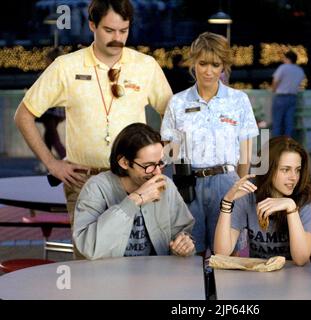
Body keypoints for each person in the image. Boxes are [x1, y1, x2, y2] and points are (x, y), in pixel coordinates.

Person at [14, 0, 172, 232]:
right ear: (92, 26)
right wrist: (52, 164)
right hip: (83, 182)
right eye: (109, 30)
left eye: (124, 30)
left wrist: (159, 160)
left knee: (138, 260)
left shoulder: (146, 66)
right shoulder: (66, 67)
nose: (117, 37)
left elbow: (172, 116)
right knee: (89, 262)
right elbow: (23, 115)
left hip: (136, 180)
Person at [160, 32, 259, 255]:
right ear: (193, 62)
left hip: (227, 183)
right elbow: (169, 153)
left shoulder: (239, 100)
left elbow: (245, 154)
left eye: (215, 64)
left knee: (225, 255)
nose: (208, 71)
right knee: (188, 254)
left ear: (223, 65)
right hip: (188, 184)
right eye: (202, 63)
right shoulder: (177, 102)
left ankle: (224, 292)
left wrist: (241, 189)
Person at [73, 122, 195, 260]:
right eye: (148, 166)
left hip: (157, 276)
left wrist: (183, 245)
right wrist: (135, 200)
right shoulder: (95, 188)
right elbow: (88, 247)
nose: (157, 172)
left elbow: (182, 231)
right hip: (109, 278)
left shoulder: (166, 186)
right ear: (124, 162)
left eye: (160, 163)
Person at [214, 136, 311, 265]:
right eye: (285, 170)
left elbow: (301, 259)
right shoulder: (249, 193)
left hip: (294, 275)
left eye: (297, 170)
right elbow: (221, 252)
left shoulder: (305, 197)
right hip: (260, 274)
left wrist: (291, 208)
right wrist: (227, 202)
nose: (294, 177)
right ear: (268, 169)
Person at [34, 48, 66, 166]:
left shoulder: (48, 74)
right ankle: (45, 162)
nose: (45, 62)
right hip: (58, 110)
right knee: (49, 135)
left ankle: (66, 159)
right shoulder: (63, 73)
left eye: (46, 59)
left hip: (49, 110)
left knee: (53, 136)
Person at [271, 50, 306, 138]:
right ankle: (288, 146)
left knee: (277, 123)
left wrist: (274, 90)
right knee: (289, 124)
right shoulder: (299, 70)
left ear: (287, 58)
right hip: (293, 97)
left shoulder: (283, 67)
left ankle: (276, 146)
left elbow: (275, 81)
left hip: (281, 97)